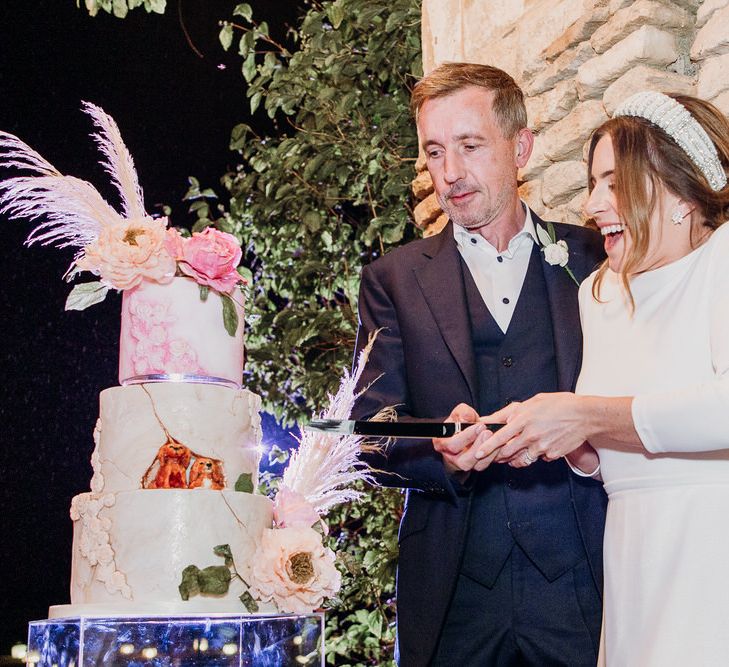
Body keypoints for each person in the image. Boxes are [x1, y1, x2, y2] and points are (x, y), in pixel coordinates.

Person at [351, 62, 607, 666]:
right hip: (454, 587)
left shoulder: (596, 256)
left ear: (520, 147)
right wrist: (437, 450)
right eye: (434, 153)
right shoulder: (393, 280)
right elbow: (372, 433)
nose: (450, 174)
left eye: (470, 146)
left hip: (583, 580)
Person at [480, 90, 729, 665]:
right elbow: (609, 453)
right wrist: (556, 440)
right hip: (632, 565)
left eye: (614, 182)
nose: (594, 204)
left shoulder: (722, 260)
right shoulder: (600, 295)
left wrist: (586, 415)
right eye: (594, 182)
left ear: (680, 192)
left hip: (712, 551)